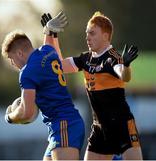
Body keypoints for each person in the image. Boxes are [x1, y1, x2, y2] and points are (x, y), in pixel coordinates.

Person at [42, 11, 143, 160]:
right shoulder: (86, 59)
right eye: (86, 33)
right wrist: (51, 34)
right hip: (99, 129)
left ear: (105, 36)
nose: (87, 37)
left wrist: (126, 65)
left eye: (92, 33)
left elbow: (123, 75)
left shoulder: (112, 57)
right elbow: (57, 65)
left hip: (121, 126)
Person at [1, 12, 85, 160]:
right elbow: (52, 52)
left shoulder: (27, 72)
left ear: (20, 53)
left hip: (63, 125)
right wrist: (49, 31)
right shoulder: (47, 51)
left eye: (11, 59)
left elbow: (27, 113)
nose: (12, 64)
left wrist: (10, 117)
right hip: (64, 123)